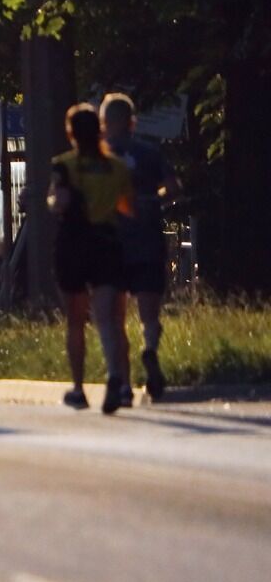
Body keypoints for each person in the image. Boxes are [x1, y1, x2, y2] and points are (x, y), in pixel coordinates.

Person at [51, 103, 134, 413]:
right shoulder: (118, 168)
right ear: (99, 130)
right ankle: (115, 376)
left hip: (73, 245)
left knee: (75, 321)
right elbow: (128, 208)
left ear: (70, 132)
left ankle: (78, 388)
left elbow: (60, 203)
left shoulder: (64, 165)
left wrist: (52, 202)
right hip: (107, 245)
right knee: (107, 318)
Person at [101, 93, 180, 401]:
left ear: (106, 123)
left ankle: (121, 381)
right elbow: (173, 188)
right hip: (147, 237)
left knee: (114, 315)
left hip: (112, 242)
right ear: (132, 122)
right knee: (149, 311)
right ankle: (149, 349)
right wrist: (152, 198)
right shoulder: (150, 152)